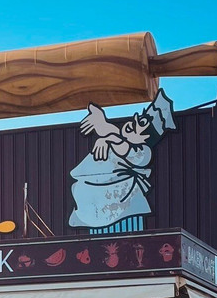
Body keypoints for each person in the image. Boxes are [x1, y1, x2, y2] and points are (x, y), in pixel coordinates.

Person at [68, 89, 175, 234]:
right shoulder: (119, 137)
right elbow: (107, 129)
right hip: (94, 208)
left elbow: (125, 149)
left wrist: (108, 139)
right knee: (96, 242)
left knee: (126, 241)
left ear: (147, 137)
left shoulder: (144, 152)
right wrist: (100, 121)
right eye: (137, 117)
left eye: (141, 122)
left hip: (124, 207)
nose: (135, 120)